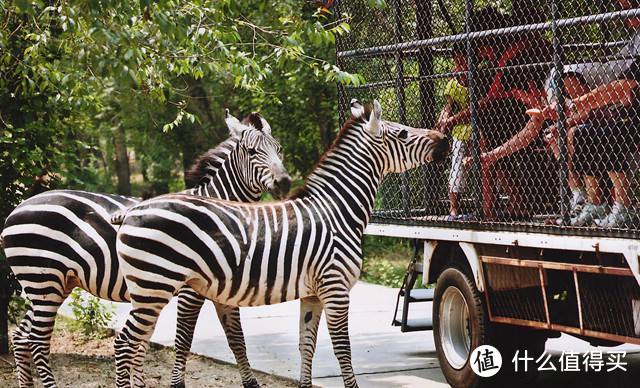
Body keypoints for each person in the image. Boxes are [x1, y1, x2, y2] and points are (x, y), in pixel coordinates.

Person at [471, 0, 640, 228]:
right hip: (606, 106)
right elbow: (528, 133)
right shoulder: (543, 100)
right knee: (557, 136)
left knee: (570, 133)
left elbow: (590, 113)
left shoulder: (560, 80)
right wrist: (492, 155)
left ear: (530, 87)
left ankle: (603, 203)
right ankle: (581, 199)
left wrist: (566, 118)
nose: (524, 101)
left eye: (521, 96)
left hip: (614, 104)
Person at [436, 42, 473, 220]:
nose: (460, 63)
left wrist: (451, 119)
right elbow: (448, 107)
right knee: (456, 168)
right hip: (460, 131)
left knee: (483, 165)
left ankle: (489, 204)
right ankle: (453, 209)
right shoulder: (452, 84)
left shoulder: (477, 78)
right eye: (457, 60)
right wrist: (443, 121)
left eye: (463, 59)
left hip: (478, 128)